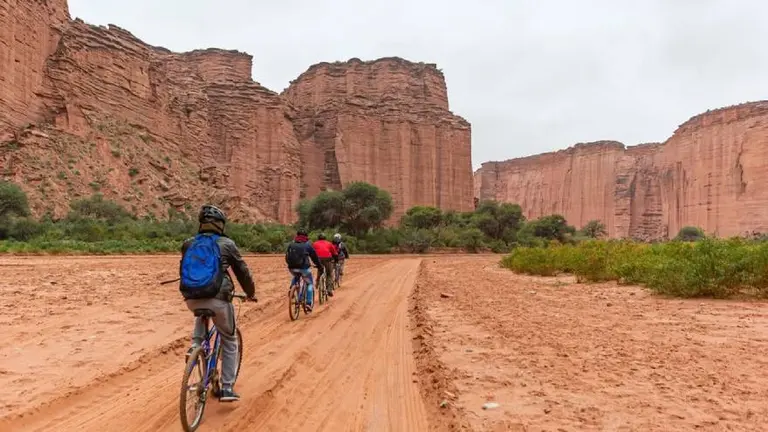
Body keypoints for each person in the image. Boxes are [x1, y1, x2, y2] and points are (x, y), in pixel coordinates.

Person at [180, 204, 257, 403]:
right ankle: (227, 387)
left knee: (201, 313)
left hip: (191, 298)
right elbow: (242, 272)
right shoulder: (227, 244)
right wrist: (250, 293)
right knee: (230, 339)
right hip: (218, 298)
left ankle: (195, 347)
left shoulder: (188, 244)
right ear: (220, 225)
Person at [285, 229, 321, 311]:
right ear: (306, 236)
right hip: (304, 268)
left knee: (296, 276)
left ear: (297, 235)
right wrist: (319, 266)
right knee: (309, 283)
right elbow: (314, 257)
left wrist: (290, 265)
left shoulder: (291, 244)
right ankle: (308, 303)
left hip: (292, 268)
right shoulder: (307, 245)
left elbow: (287, 256)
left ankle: (292, 288)